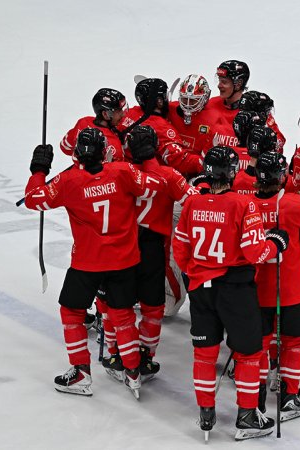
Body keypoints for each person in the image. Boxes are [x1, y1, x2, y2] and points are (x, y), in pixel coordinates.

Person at [24, 128, 163, 398]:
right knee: (123, 315)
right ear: (104, 152)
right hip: (124, 260)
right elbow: (156, 184)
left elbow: (33, 200)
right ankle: (133, 373)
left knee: (72, 312)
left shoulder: (68, 181)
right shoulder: (123, 172)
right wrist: (148, 157)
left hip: (87, 262)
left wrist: (39, 170)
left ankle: (80, 374)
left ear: (77, 154)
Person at [172, 146, 289, 440]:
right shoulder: (242, 204)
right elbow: (254, 251)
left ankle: (206, 412)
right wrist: (276, 244)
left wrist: (198, 272)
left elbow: (180, 247)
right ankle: (247, 416)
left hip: (200, 288)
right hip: (234, 289)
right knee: (249, 354)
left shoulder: (192, 204)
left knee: (204, 353)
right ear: (233, 172)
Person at [98, 125, 197, 382]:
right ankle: (147, 357)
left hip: (121, 247)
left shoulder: (118, 171)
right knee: (153, 307)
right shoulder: (170, 175)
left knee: (116, 305)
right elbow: (194, 201)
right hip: (154, 249)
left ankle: (116, 354)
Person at [253, 150, 300, 420]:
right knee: (294, 343)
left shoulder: (244, 205)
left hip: (256, 291)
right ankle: (289, 396)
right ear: (283, 177)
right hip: (292, 289)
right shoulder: (294, 204)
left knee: (258, 345)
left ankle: (255, 400)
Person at [120, 78, 203, 176]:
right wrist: (204, 163)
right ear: (159, 101)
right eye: (164, 96)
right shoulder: (162, 127)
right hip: (149, 176)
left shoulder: (130, 113)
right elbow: (179, 161)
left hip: (126, 169)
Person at [60, 88, 127, 164]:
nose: (123, 114)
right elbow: (121, 173)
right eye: (118, 111)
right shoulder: (115, 146)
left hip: (78, 173)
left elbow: (65, 147)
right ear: (105, 114)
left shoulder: (83, 122)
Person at [167, 74, 218, 156]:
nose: (188, 104)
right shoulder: (171, 109)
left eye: (193, 100)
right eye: (185, 99)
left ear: (205, 98)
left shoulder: (214, 118)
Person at [205, 60, 250, 148]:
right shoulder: (211, 103)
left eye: (224, 82)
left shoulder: (255, 109)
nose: (219, 85)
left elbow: (278, 140)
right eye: (219, 80)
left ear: (238, 84)